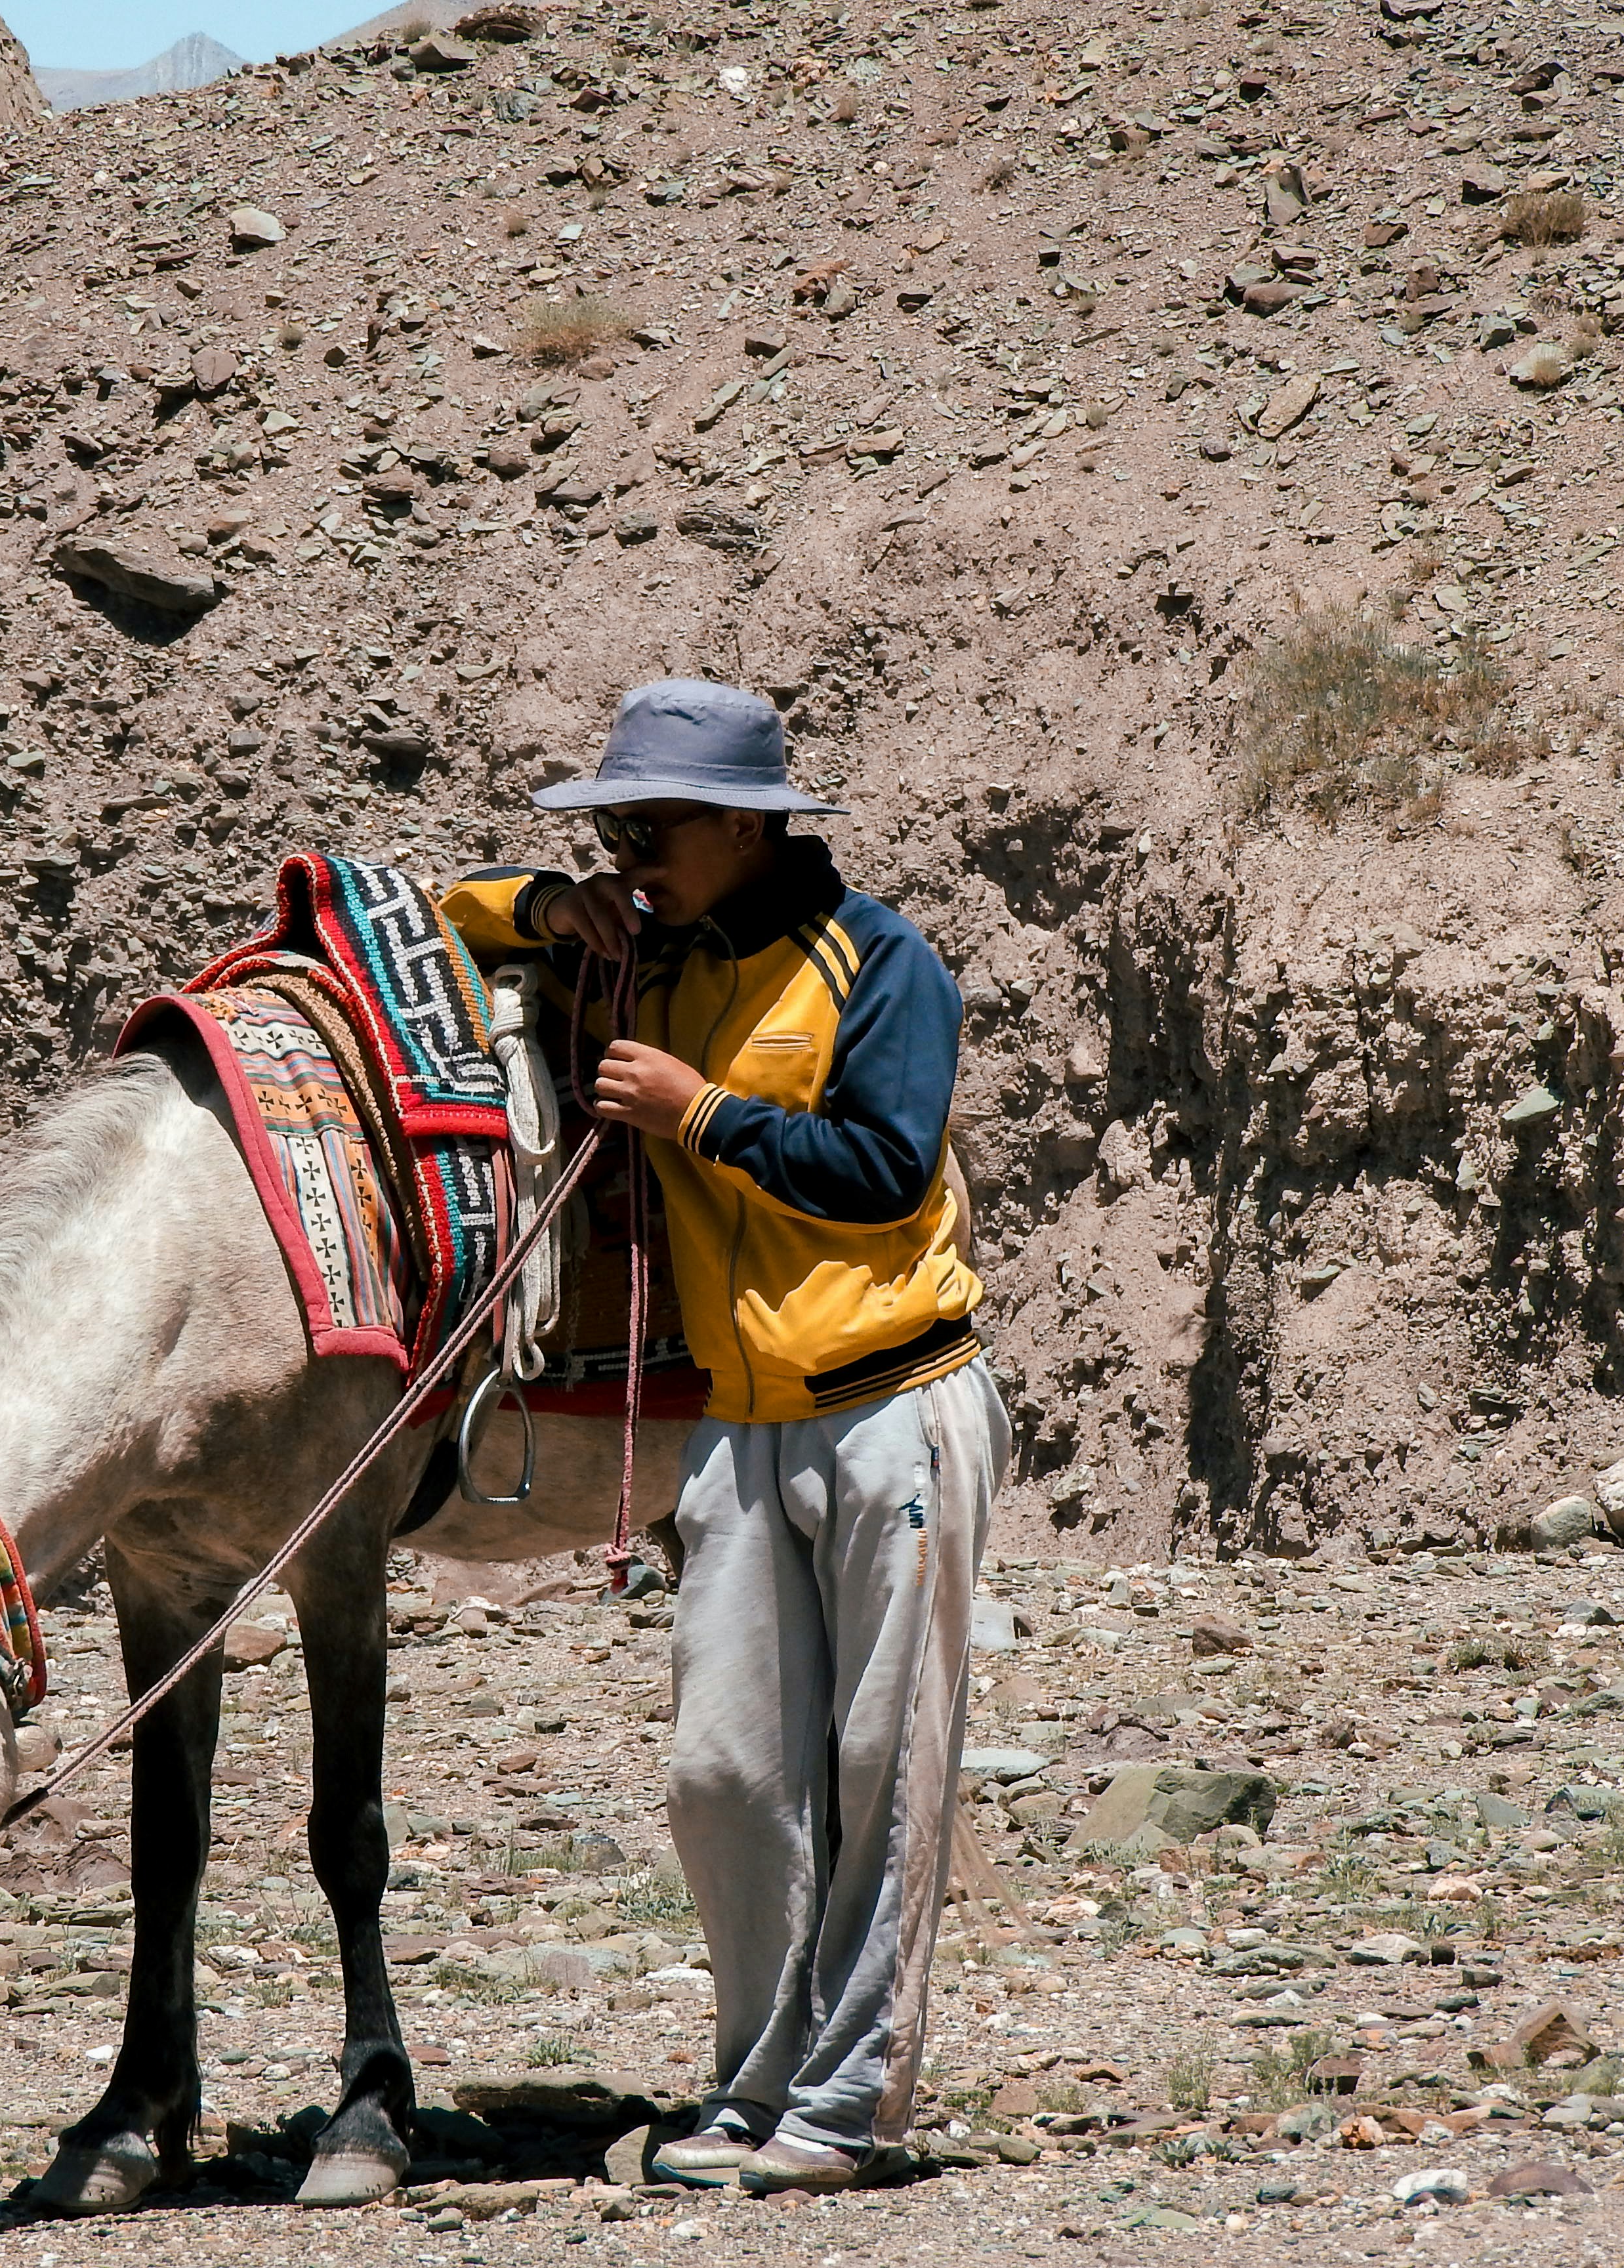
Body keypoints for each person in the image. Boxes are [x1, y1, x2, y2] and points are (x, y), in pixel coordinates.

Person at [441, 679, 1012, 2194]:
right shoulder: (661, 947)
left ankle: (845, 2112)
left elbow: (886, 1174)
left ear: (750, 829)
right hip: (742, 1428)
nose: (631, 849)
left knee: (883, 1769)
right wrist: (554, 909)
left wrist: (698, 1117)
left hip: (893, 1406)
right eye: (613, 826)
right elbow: (454, 917)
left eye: (654, 826)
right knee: (726, 1773)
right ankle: (754, 2087)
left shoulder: (881, 963)